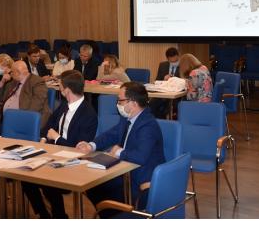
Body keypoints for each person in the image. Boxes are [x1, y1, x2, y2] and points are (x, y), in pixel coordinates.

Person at [76, 82, 164, 215]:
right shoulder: (127, 117)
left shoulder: (148, 125)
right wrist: (91, 145)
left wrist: (118, 151)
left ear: (133, 103)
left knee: (97, 188)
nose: (117, 104)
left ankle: (118, 216)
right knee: (92, 185)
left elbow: (140, 157)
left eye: (120, 100)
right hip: (125, 171)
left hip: (140, 180)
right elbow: (112, 134)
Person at [23, 70, 97, 218]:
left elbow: (78, 148)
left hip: (74, 160)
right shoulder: (65, 105)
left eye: (60, 86)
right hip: (54, 153)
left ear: (67, 90)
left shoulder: (88, 114)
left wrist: (56, 138)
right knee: (24, 174)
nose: (59, 88)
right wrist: (43, 140)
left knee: (48, 178)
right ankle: (43, 214)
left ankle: (60, 216)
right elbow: (49, 124)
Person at [0, 60, 51, 130]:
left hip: (24, 120)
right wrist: (2, 82)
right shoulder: (13, 83)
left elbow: (37, 104)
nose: (11, 74)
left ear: (18, 72)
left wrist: (21, 117)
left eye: (12, 72)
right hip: (6, 119)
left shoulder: (37, 82)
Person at [150, 47, 181, 119]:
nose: (174, 63)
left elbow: (184, 81)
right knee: (152, 104)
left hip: (177, 94)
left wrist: (174, 80)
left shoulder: (183, 65)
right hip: (163, 93)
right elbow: (157, 81)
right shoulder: (163, 65)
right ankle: (159, 122)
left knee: (175, 106)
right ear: (167, 59)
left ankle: (171, 121)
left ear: (178, 56)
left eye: (175, 61)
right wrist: (164, 80)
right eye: (171, 61)